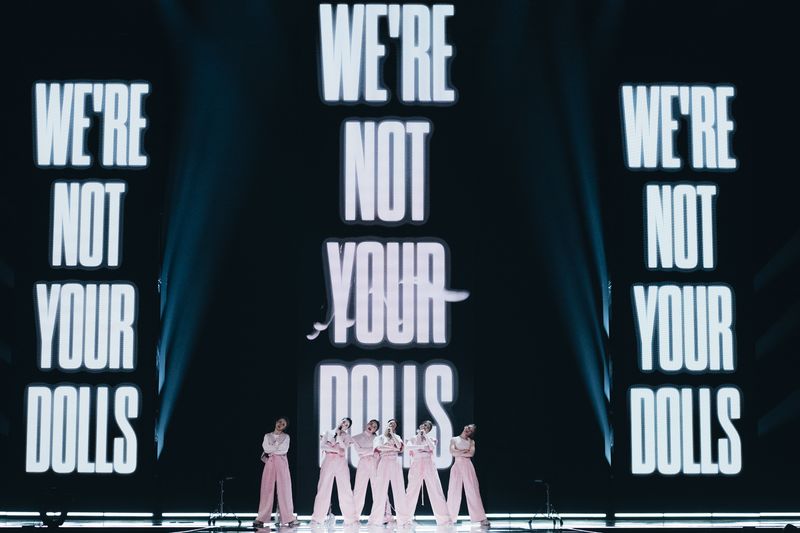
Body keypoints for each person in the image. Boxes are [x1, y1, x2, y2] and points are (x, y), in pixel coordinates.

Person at [311, 417, 358, 526]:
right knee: (323, 489)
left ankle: (350, 519)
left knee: (345, 490)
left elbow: (344, 447)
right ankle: (317, 518)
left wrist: (339, 437)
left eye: (347, 425)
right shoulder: (327, 432)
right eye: (344, 422)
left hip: (341, 462)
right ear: (340, 421)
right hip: (328, 461)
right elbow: (323, 446)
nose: (344, 424)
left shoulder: (347, 436)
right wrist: (336, 449)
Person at [254, 417, 299, 528]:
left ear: (285, 427)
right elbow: (266, 449)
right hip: (270, 463)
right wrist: (275, 448)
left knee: (284, 490)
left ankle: (289, 518)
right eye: (279, 422)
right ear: (276, 422)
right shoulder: (267, 436)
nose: (280, 424)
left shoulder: (286, 437)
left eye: (283, 424)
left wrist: (272, 448)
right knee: (266, 490)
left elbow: (284, 450)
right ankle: (261, 518)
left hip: (282, 464)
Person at [405, 420, 452, 525]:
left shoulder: (431, 439)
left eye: (427, 427)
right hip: (416, 464)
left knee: (436, 490)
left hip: (429, 464)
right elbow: (408, 447)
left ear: (429, 430)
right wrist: (421, 447)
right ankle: (405, 519)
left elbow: (431, 447)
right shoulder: (413, 438)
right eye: (424, 425)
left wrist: (424, 437)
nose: (425, 427)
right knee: (411, 491)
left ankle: (444, 519)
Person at [368, 419, 410, 526]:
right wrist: (392, 448)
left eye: (394, 424)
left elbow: (400, 447)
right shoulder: (379, 438)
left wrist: (393, 435)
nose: (392, 425)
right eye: (390, 423)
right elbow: (378, 448)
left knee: (399, 490)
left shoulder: (397, 437)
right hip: (384, 462)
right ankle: (376, 519)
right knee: (380, 491)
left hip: (395, 462)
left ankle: (404, 520)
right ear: (387, 424)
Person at [447, 424, 490, 527]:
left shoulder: (471, 442)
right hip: (457, 466)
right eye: (468, 427)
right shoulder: (454, 439)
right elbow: (452, 452)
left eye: (471, 430)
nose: (468, 430)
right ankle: (449, 518)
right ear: (465, 427)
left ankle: (480, 518)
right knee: (453, 492)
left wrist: (459, 452)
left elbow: (471, 454)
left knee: (473, 492)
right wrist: (463, 451)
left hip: (468, 466)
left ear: (471, 433)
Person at [351, 419, 391, 520]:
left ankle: (383, 516)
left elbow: (379, 452)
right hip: (363, 464)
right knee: (358, 490)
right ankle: (353, 517)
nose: (371, 427)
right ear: (367, 423)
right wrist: (373, 450)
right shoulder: (356, 437)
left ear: (375, 430)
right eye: (371, 424)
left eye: (374, 427)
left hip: (375, 463)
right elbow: (359, 451)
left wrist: (371, 451)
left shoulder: (378, 439)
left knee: (378, 489)